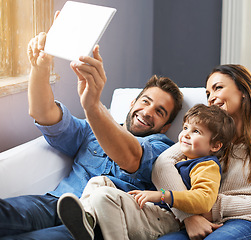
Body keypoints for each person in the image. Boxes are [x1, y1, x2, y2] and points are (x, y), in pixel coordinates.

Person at [0, 27, 183, 239]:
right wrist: (40, 68)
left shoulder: (163, 149)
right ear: (132, 103)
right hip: (56, 202)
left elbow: (131, 157)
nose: (148, 112)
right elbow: (43, 113)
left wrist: (93, 106)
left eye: (159, 112)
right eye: (146, 101)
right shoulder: (90, 130)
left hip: (96, 223)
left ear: (165, 126)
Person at [152, 64, 251, 240]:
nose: (211, 98)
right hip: (200, 220)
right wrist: (188, 217)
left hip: (245, 222)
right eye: (208, 94)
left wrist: (215, 205)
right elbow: (161, 165)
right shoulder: (207, 140)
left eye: (218, 88)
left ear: (243, 90)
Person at [56, 104, 235, 240]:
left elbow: (204, 200)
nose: (186, 134)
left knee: (104, 196)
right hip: (155, 211)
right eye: (186, 128)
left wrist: (161, 195)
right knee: (99, 181)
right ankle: (88, 220)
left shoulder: (206, 166)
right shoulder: (184, 159)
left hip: (167, 219)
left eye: (196, 131)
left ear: (215, 145)